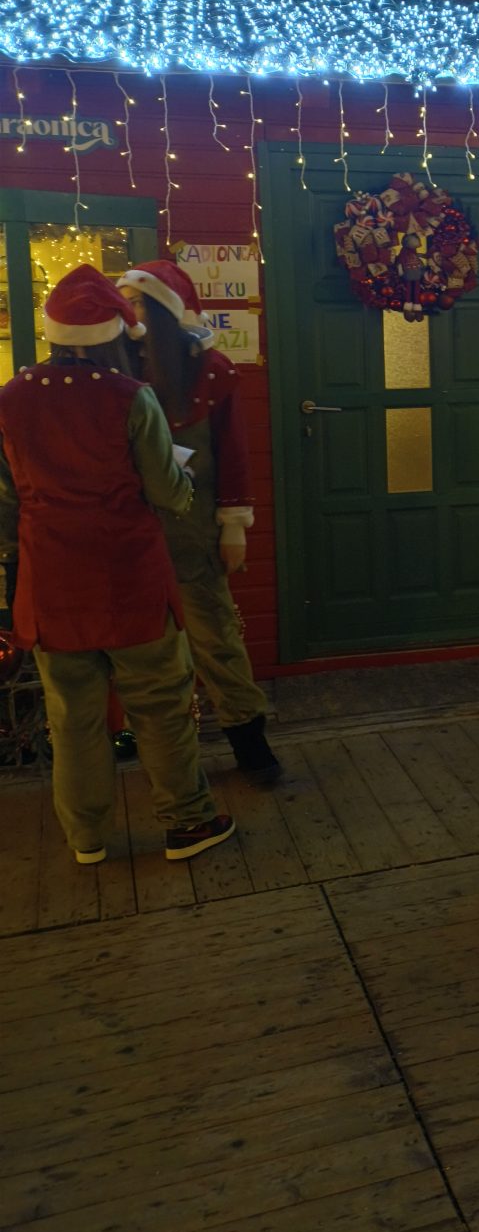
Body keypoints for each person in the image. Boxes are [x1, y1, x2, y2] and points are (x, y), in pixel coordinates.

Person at [0, 266, 235, 863]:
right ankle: (188, 823)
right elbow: (167, 493)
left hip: (51, 585)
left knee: (72, 718)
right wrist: (183, 480)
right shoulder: (131, 397)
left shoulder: (10, 397)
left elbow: (6, 501)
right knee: (159, 708)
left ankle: (86, 839)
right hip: (128, 578)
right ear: (115, 334)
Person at [116, 260, 280, 783]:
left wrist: (233, 526)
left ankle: (248, 737)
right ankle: (145, 738)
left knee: (215, 635)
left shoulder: (211, 371)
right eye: (126, 303)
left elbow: (233, 454)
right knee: (139, 642)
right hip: (130, 529)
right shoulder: (117, 366)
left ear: (163, 310)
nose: (129, 313)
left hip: (193, 527)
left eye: (138, 303)